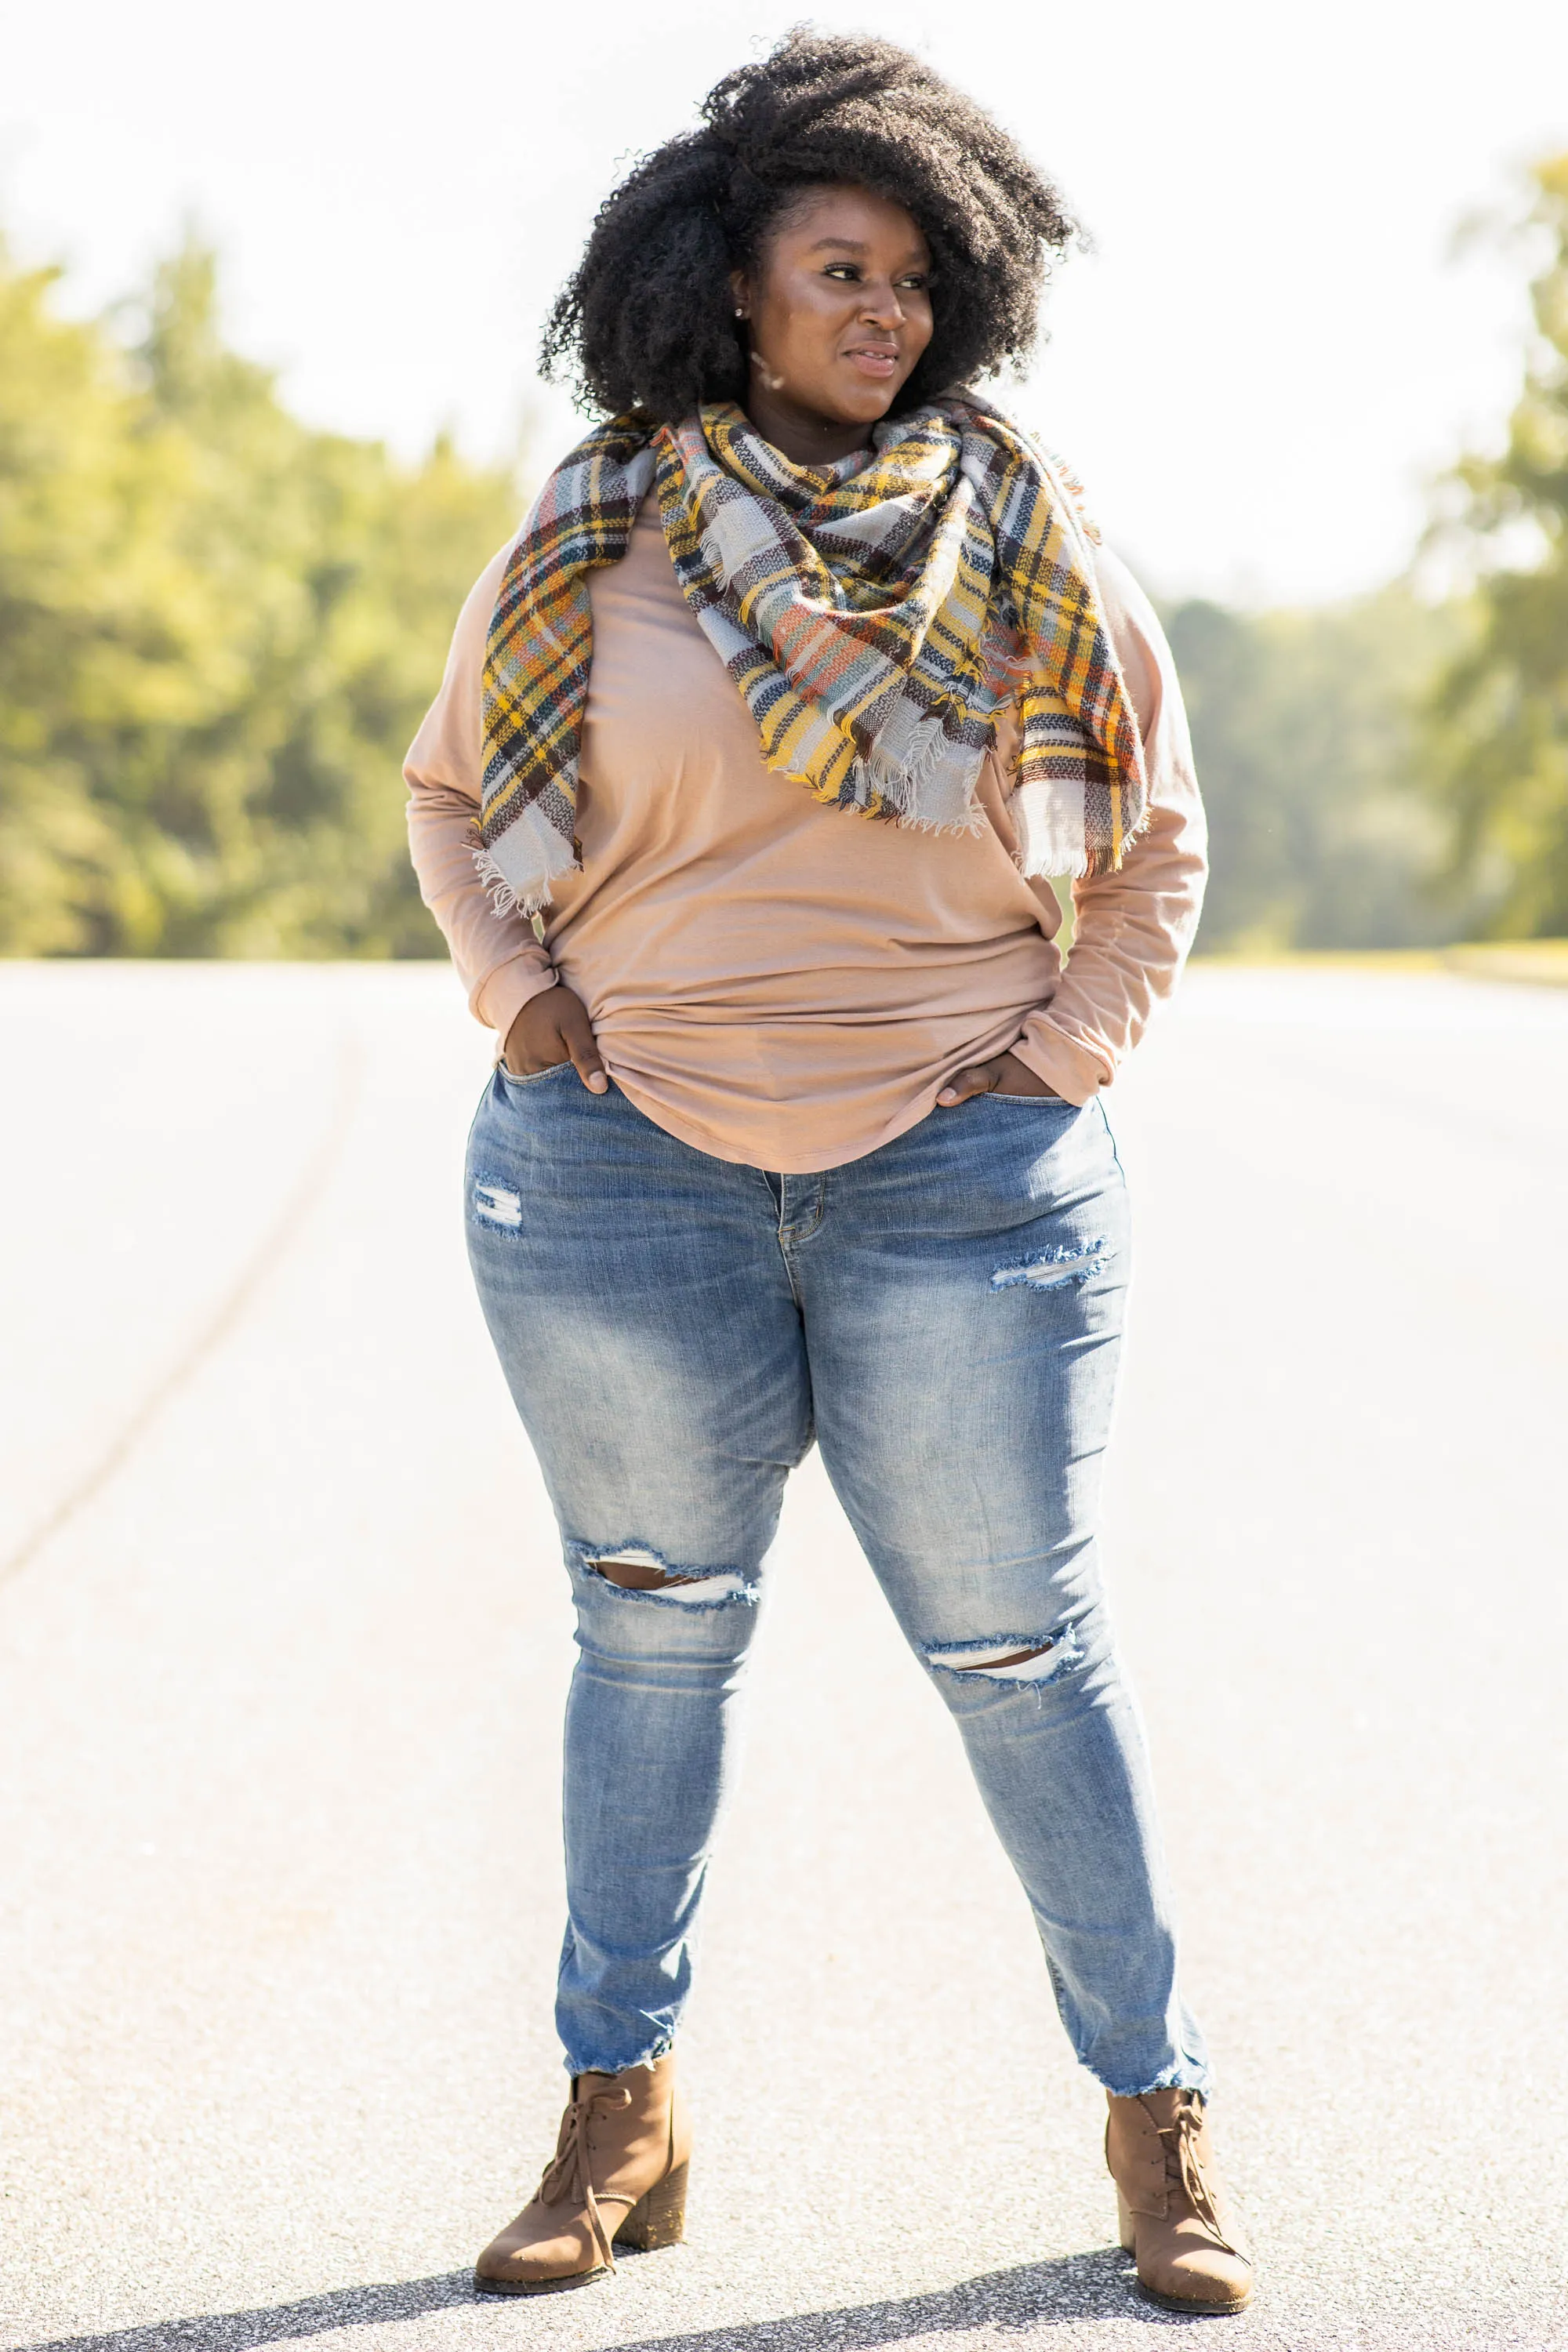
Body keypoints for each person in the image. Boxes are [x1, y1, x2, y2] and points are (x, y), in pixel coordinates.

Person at [405, 31, 1250, 2319]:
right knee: (648, 1646)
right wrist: (522, 1000)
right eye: (835, 273)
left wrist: (1064, 1055)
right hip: (618, 1176)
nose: (882, 317)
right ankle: (620, 2111)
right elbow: (457, 795)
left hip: (962, 1191)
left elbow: (1155, 840)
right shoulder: (593, 533)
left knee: (1020, 1650)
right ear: (727, 291)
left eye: (912, 282)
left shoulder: (1032, 537)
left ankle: (1157, 2123)